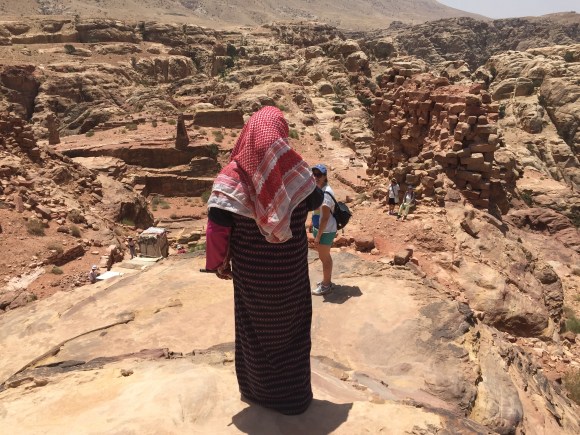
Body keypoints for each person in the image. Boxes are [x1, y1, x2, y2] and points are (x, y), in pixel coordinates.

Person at [204, 106, 323, 415]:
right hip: (290, 272)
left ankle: (256, 391)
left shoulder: (231, 178)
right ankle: (293, 399)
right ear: (281, 134)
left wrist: (218, 262)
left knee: (254, 330)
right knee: (292, 330)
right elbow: (316, 199)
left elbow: (217, 226)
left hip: (251, 274)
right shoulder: (298, 173)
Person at [310, 164, 337, 296]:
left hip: (325, 231)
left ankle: (326, 286)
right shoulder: (320, 189)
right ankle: (326, 281)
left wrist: (318, 236)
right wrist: (312, 223)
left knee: (324, 258)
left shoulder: (325, 194)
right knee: (324, 256)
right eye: (314, 174)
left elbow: (325, 218)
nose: (315, 177)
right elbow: (317, 211)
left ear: (325, 176)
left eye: (318, 175)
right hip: (321, 229)